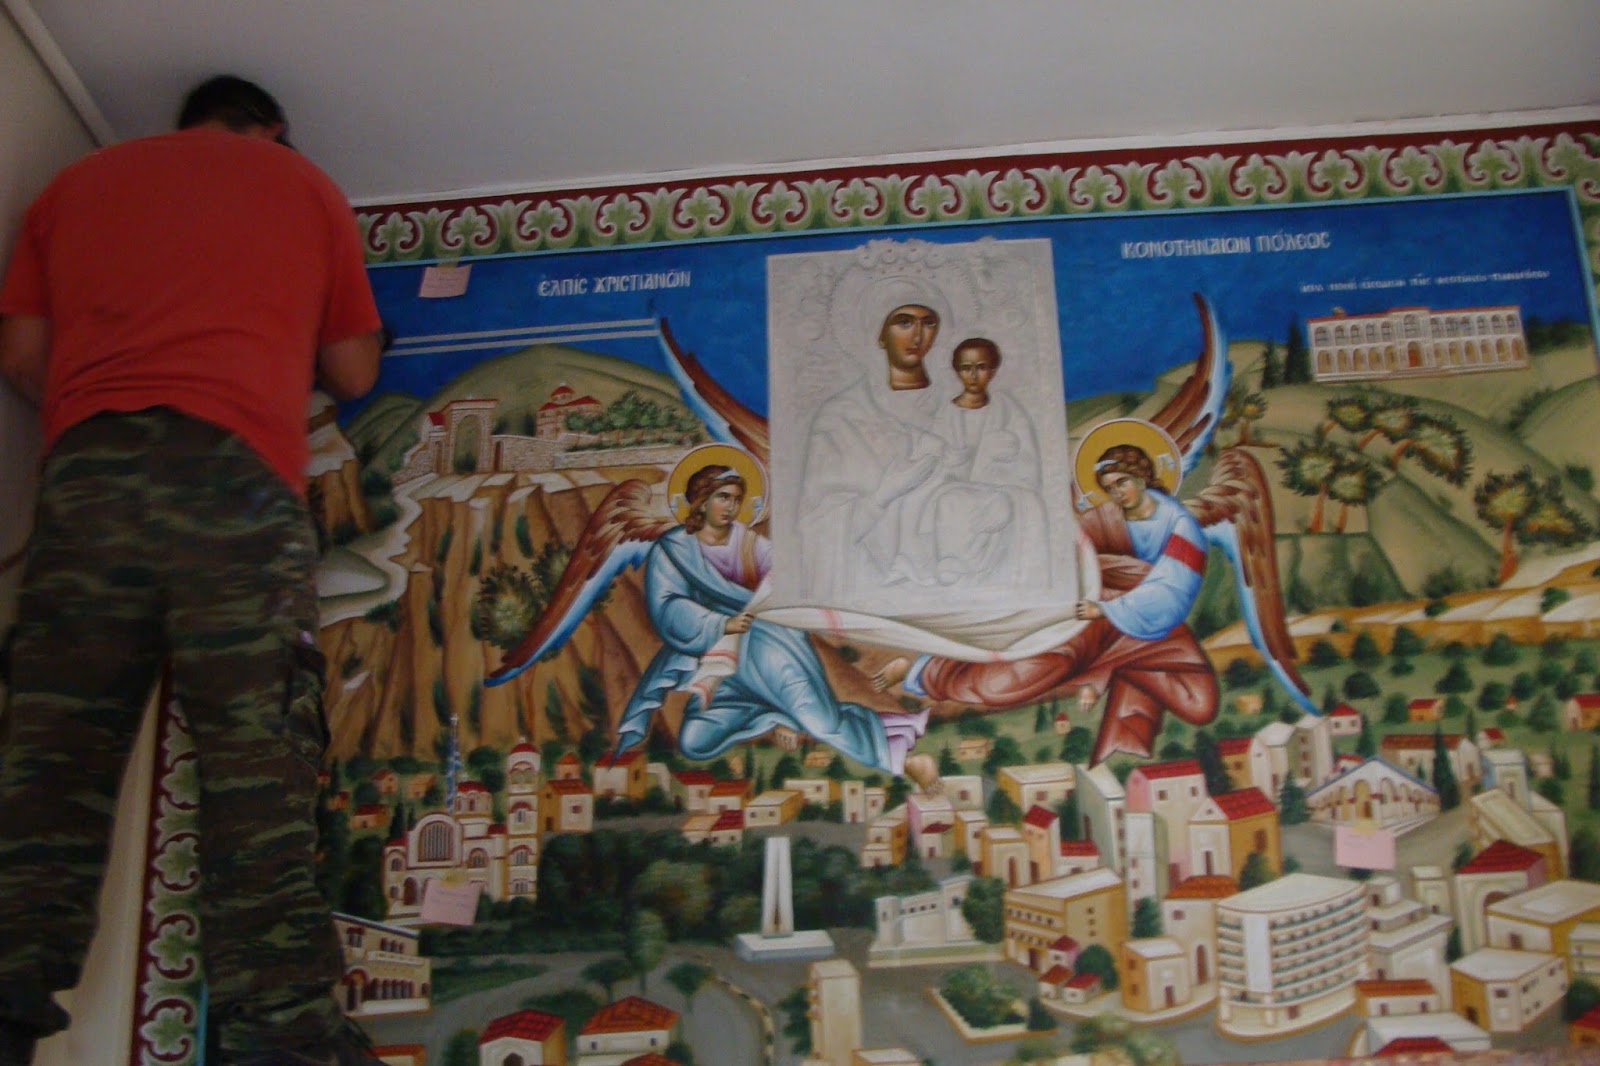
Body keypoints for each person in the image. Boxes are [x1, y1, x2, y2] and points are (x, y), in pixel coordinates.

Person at [0, 76, 383, 1064]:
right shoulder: (304, 188)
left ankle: (7, 998)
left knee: (53, 757)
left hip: (86, 481)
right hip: (234, 484)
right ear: (273, 131)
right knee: (256, 759)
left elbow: (23, 356)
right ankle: (282, 1032)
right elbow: (353, 370)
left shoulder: (71, 188)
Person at [874, 441, 1218, 764]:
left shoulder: (1179, 525)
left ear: (1142, 476)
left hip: (1141, 627)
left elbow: (1173, 591)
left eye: (1122, 482)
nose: (1117, 492)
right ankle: (926, 671)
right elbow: (1061, 551)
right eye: (1110, 487)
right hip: (1082, 619)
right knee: (1003, 685)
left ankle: (1099, 673)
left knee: (1200, 704)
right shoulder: (1107, 516)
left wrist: (1109, 609)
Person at [617, 463, 938, 789]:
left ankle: (902, 759)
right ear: (701, 501)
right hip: (719, 661)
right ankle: (778, 714)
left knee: (822, 722)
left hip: (770, 647)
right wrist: (721, 623)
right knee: (695, 741)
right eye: (723, 497)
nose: (731, 507)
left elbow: (787, 575)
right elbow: (667, 607)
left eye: (736, 499)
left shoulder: (748, 545)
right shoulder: (674, 550)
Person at [796, 279, 954, 606]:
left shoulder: (958, 402)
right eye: (903, 322)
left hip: (953, 566)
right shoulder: (841, 416)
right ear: (879, 334)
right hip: (871, 580)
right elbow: (817, 524)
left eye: (928, 323)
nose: (918, 336)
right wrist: (884, 495)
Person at [923, 337, 1047, 586]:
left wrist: (993, 460)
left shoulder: (1009, 411)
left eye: (981, 367)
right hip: (956, 489)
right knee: (952, 502)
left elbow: (1029, 463)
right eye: (965, 368)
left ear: (993, 370)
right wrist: (950, 462)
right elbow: (932, 460)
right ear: (957, 371)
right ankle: (954, 564)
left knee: (1000, 506)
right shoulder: (947, 415)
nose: (973, 375)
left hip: (1002, 489)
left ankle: (983, 574)